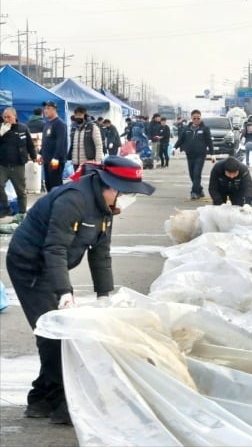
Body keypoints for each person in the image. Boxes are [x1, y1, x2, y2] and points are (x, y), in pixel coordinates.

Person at [5, 155, 155, 425]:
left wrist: (104, 296)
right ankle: (63, 402)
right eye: (127, 194)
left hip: (53, 265)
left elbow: (101, 254)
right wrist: (65, 291)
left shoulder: (106, 208)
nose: (128, 200)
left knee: (62, 334)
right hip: (30, 264)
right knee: (53, 334)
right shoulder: (74, 200)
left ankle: (42, 398)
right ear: (111, 185)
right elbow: (55, 248)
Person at [0, 108, 38, 217]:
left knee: (20, 190)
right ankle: (6, 208)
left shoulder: (23, 128)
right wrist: (1, 133)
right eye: (4, 117)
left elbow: (29, 144)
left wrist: (34, 157)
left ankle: (22, 213)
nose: (6, 119)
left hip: (18, 165)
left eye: (9, 117)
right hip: (3, 164)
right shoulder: (1, 128)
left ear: (15, 116)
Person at [174, 109, 213, 199]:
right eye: (194, 118)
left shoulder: (205, 129)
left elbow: (209, 142)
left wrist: (212, 153)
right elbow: (181, 140)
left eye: (198, 118)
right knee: (192, 174)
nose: (196, 120)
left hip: (200, 154)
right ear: (191, 118)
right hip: (190, 155)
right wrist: (174, 147)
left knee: (197, 173)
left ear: (200, 118)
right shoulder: (186, 129)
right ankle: (199, 189)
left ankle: (194, 192)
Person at [40, 101, 68, 191]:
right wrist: (41, 154)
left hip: (55, 160)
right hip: (47, 159)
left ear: (54, 110)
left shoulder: (60, 124)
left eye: (48, 108)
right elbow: (45, 142)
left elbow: (61, 142)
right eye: (45, 108)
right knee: (48, 183)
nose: (45, 111)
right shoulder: (47, 124)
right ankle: (50, 203)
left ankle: (59, 204)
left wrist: (56, 158)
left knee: (55, 184)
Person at [69, 106, 103, 171]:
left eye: (80, 115)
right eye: (76, 115)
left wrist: (97, 161)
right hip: (75, 162)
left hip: (88, 162)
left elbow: (98, 145)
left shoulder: (92, 127)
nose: (78, 117)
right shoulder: (73, 128)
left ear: (85, 115)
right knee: (77, 181)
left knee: (86, 180)